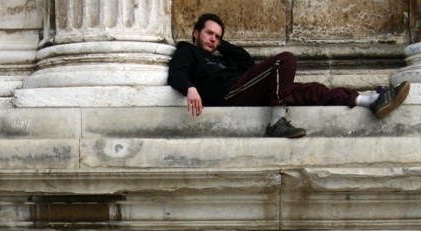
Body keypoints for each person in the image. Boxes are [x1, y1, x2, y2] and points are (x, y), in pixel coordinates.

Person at [167, 13, 410, 138]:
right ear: (195, 32)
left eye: (217, 36)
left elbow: (246, 62)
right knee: (286, 60)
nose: (213, 39)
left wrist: (221, 45)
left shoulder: (223, 55)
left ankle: (367, 100)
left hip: (245, 88)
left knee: (309, 90)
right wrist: (190, 87)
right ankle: (276, 122)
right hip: (228, 94)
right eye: (209, 34)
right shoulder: (187, 50)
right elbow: (176, 74)